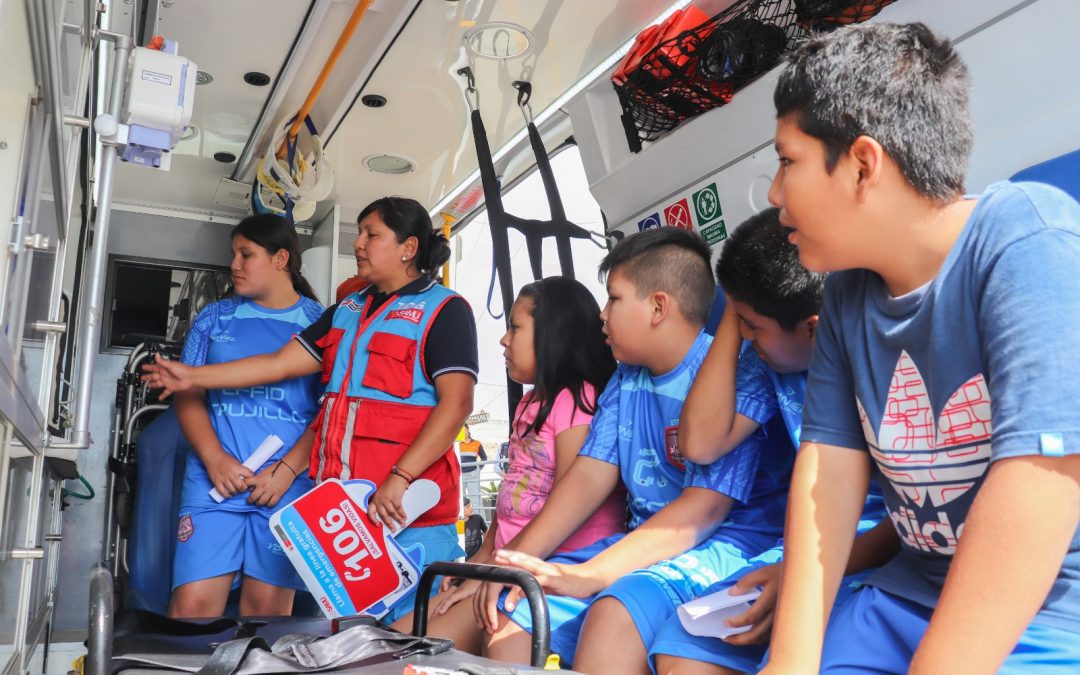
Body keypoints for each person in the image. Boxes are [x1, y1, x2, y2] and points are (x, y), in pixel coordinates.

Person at [760, 23, 1080, 674]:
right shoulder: (848, 295)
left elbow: (1042, 480)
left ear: (861, 164)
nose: (773, 194)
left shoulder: (1024, 238)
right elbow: (828, 474)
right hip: (907, 596)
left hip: (1047, 613)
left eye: (787, 161)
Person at [469, 228, 795, 673]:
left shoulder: (728, 376)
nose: (602, 316)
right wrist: (518, 561)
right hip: (638, 544)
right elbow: (587, 476)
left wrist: (593, 575)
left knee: (613, 617)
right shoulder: (627, 379)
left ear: (659, 306)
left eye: (613, 299)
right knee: (511, 612)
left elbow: (701, 514)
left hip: (717, 546)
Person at [143, 196, 479, 623]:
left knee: (415, 631)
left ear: (408, 248)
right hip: (344, 508)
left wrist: (401, 476)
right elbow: (278, 365)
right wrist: (191, 377)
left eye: (371, 235)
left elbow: (457, 404)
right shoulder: (347, 311)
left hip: (408, 506)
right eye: (359, 233)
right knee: (354, 635)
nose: (358, 244)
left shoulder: (445, 310)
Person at [649, 208, 893, 674]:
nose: (742, 335)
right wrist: (739, 313)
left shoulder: (877, 358)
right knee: (680, 649)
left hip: (872, 549)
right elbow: (700, 442)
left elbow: (903, 525)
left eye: (751, 325)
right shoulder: (773, 365)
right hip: (801, 548)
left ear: (813, 328)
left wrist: (796, 579)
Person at [394, 276, 626, 650]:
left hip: (553, 569)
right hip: (507, 566)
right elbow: (507, 505)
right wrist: (478, 564)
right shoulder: (531, 402)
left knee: (486, 647)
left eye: (516, 328)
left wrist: (497, 571)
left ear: (555, 335)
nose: (504, 339)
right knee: (397, 639)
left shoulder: (577, 400)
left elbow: (570, 502)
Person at [168, 213, 324, 618]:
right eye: (233, 254)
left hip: (284, 487)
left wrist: (288, 471)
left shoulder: (321, 323)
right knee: (190, 611)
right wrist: (215, 459)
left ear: (280, 258)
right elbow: (187, 394)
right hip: (212, 482)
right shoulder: (214, 318)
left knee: (267, 617)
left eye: (246, 254)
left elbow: (332, 412)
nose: (234, 264)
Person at [458, 423, 488, 509]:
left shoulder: (477, 443)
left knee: (476, 499)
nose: (464, 432)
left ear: (468, 430)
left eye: (465, 430)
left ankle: (481, 521)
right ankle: (463, 521)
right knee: (461, 500)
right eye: (461, 430)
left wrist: (479, 469)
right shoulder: (457, 444)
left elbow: (484, 458)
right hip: (460, 475)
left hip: (473, 474)